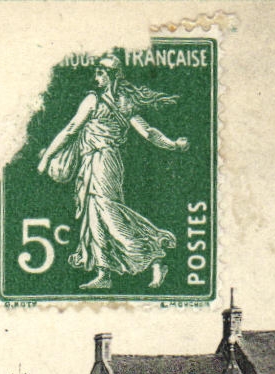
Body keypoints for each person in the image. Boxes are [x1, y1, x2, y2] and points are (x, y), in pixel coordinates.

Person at [36, 54, 189, 290]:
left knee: (108, 214)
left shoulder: (96, 100)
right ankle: (104, 272)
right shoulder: (122, 102)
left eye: (101, 73)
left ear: (112, 76)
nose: (96, 77)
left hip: (103, 161)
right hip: (96, 162)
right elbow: (148, 133)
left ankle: (154, 256)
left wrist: (47, 157)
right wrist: (173, 144)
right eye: (96, 72)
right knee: (95, 216)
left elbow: (71, 130)